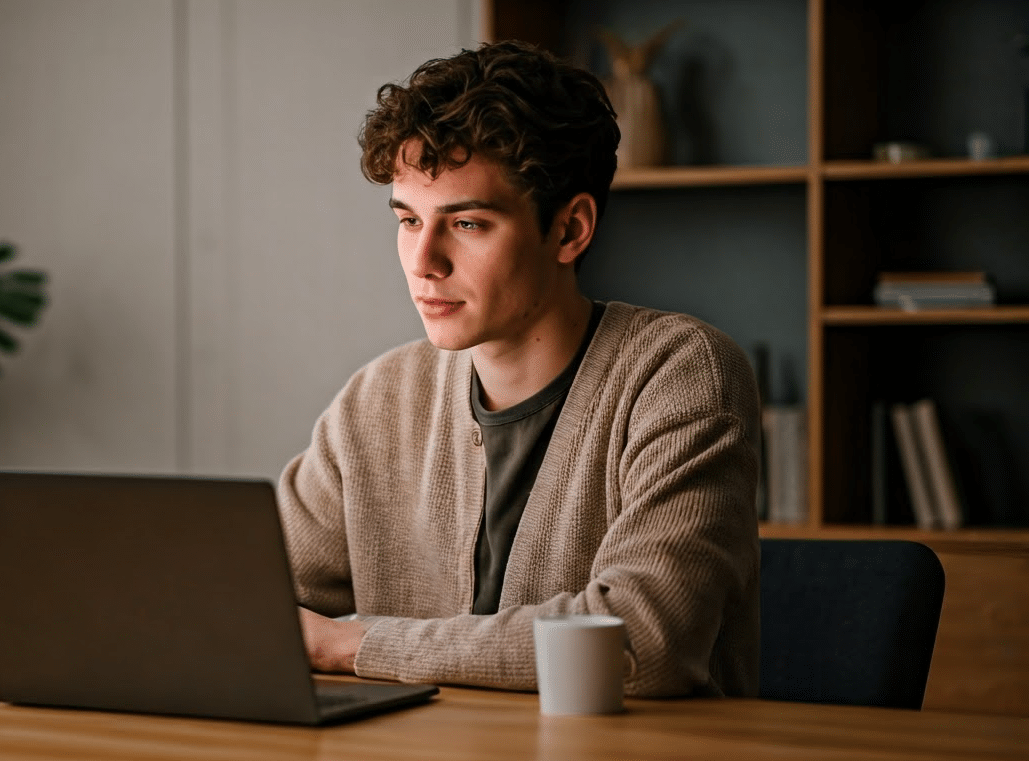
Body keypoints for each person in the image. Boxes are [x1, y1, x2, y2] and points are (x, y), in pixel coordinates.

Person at [278, 40, 760, 697]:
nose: (423, 262)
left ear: (569, 231)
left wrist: (352, 644)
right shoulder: (379, 399)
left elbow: (642, 642)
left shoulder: (679, 374)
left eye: (467, 223)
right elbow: (248, 597)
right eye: (409, 220)